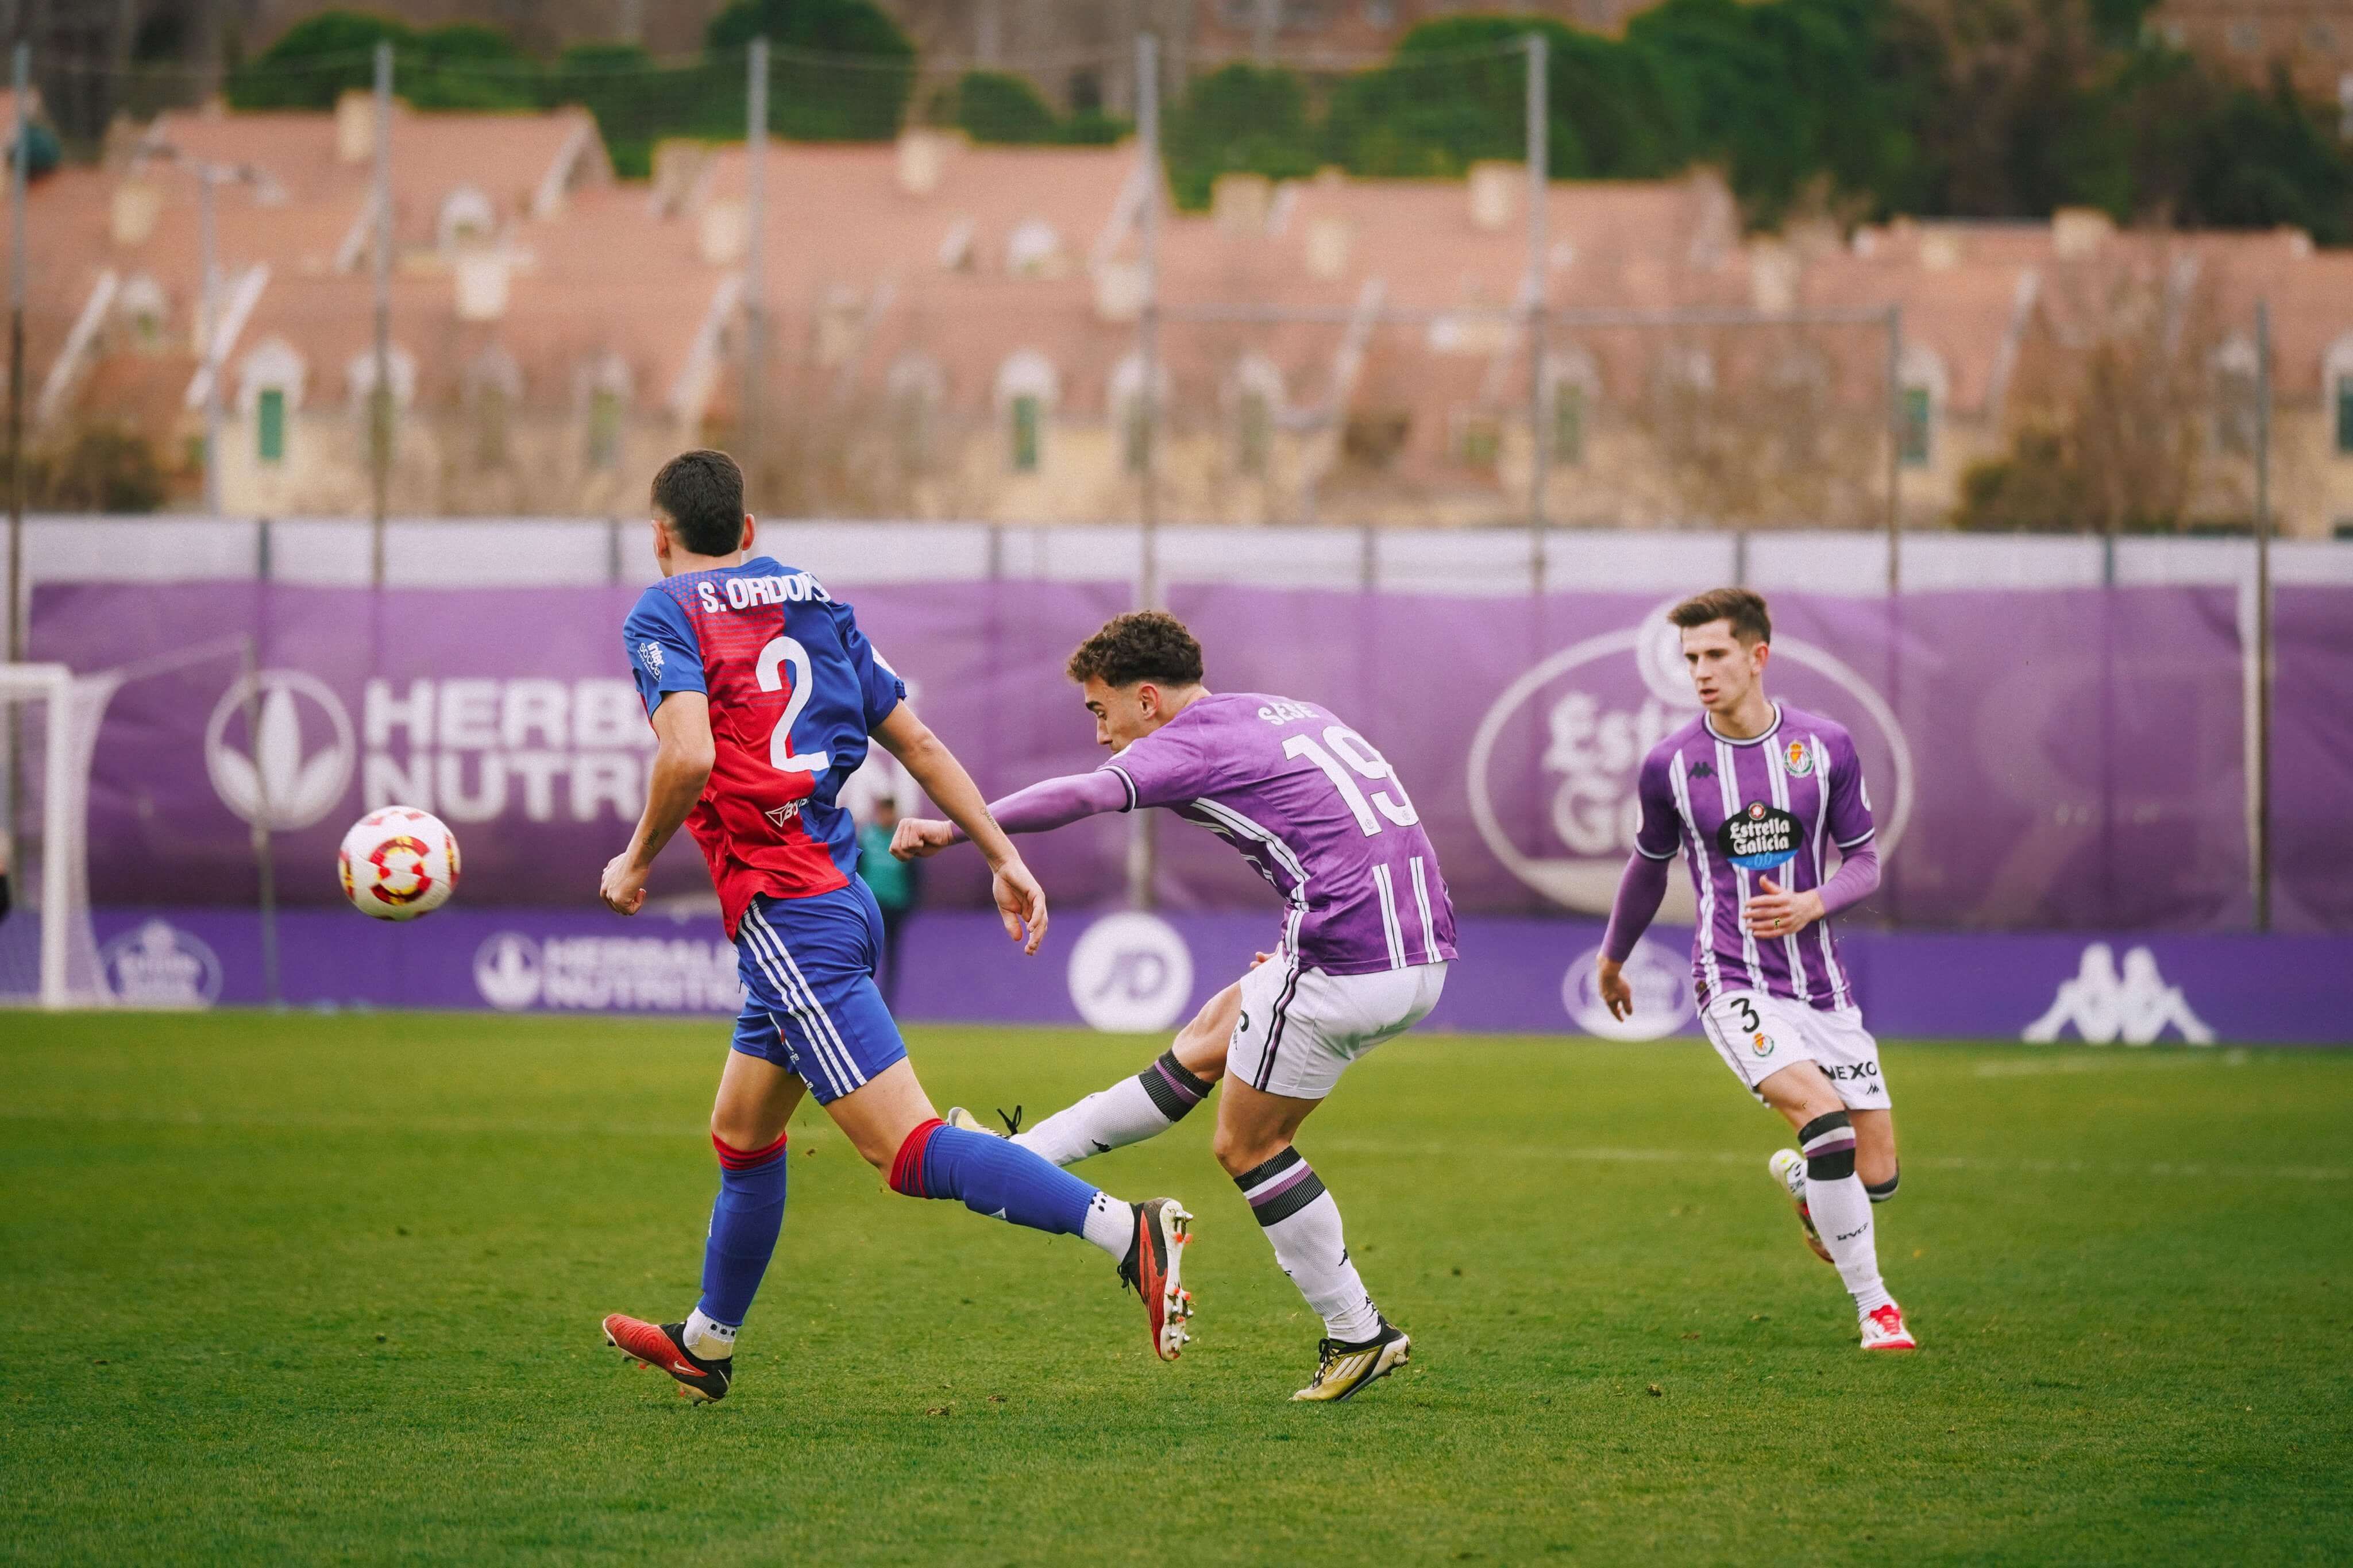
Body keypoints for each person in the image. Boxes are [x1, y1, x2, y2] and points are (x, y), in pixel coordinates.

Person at [596, 451, 1195, 1403]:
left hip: (790, 914)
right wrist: (1001, 853)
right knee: (742, 1134)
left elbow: (688, 757)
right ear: (747, 534)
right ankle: (706, 1342)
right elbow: (914, 740)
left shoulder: (662, 611)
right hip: (836, 899)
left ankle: (1130, 1233)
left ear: (661, 537)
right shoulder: (817, 602)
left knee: (906, 1151)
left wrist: (634, 862)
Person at [893, 611, 1455, 1403]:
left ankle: (1358, 1331)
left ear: (1147, 699)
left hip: (1349, 960)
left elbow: (1083, 795)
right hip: (1415, 950)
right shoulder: (1281, 710)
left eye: (1101, 710)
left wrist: (960, 831)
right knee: (1205, 1041)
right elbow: (1350, 833)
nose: (1101, 732)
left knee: (1250, 1146)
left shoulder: (1189, 742)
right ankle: (1016, 1162)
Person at [1595, 587, 1914, 1351]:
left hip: (1823, 989)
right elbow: (1648, 866)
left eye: (1715, 655)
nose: (1700, 672)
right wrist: (1613, 957)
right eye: (1691, 658)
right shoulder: (1672, 764)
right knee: (1826, 1128)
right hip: (1732, 981)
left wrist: (1814, 901)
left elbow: (1865, 862)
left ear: (1757, 656)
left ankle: (1812, 1189)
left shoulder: (1824, 745)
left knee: (1876, 1174)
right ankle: (1877, 1307)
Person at [855, 797, 919, 1009]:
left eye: (889, 812)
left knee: (891, 956)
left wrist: (911, 904)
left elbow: (915, 874)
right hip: (870, 906)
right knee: (863, 954)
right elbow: (856, 869)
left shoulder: (903, 838)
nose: (886, 816)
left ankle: (887, 1004)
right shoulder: (867, 836)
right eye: (883, 812)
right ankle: (863, 1001)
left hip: (895, 906)